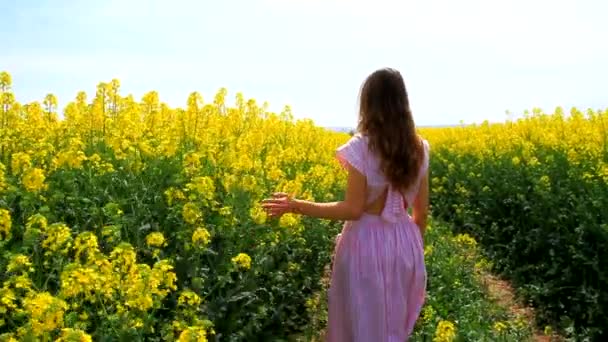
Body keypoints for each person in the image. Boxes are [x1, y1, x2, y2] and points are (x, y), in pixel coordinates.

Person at [261, 67, 430, 341]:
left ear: (368, 104)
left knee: (359, 323)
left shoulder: (362, 147)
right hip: (405, 241)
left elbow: (353, 209)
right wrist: (410, 250)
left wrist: (296, 205)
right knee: (392, 327)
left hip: (365, 242)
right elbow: (421, 213)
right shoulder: (420, 147)